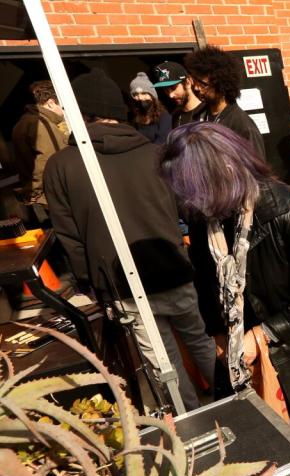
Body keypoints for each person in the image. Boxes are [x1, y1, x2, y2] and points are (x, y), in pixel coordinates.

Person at [160, 123, 290, 476]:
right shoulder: (209, 219)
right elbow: (206, 283)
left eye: (192, 188)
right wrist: (218, 333)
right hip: (242, 336)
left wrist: (262, 334)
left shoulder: (285, 206)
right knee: (263, 417)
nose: (188, 201)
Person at [43, 69, 215, 412]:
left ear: (82, 112)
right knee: (200, 340)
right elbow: (180, 209)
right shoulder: (156, 154)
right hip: (173, 268)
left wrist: (91, 285)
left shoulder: (61, 166)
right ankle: (239, 400)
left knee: (163, 360)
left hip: (124, 285)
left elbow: (70, 237)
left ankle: (194, 419)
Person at [184, 45, 266, 159]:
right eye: (196, 81)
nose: (197, 88)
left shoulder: (242, 126)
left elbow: (256, 170)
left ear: (221, 85)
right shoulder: (198, 116)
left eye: (203, 84)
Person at [11, 80, 68, 216]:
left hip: (43, 196)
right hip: (50, 197)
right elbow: (47, 161)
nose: (65, 111)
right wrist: (34, 191)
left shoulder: (25, 122)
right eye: (63, 106)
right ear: (51, 103)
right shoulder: (41, 124)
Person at [151, 60, 206, 127]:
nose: (170, 95)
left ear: (188, 82)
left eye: (173, 88)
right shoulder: (175, 116)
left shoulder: (206, 111)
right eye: (166, 90)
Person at [128, 72, 172, 144]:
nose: (140, 98)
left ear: (152, 96)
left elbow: (162, 142)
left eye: (144, 93)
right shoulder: (134, 117)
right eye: (135, 94)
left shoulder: (164, 116)